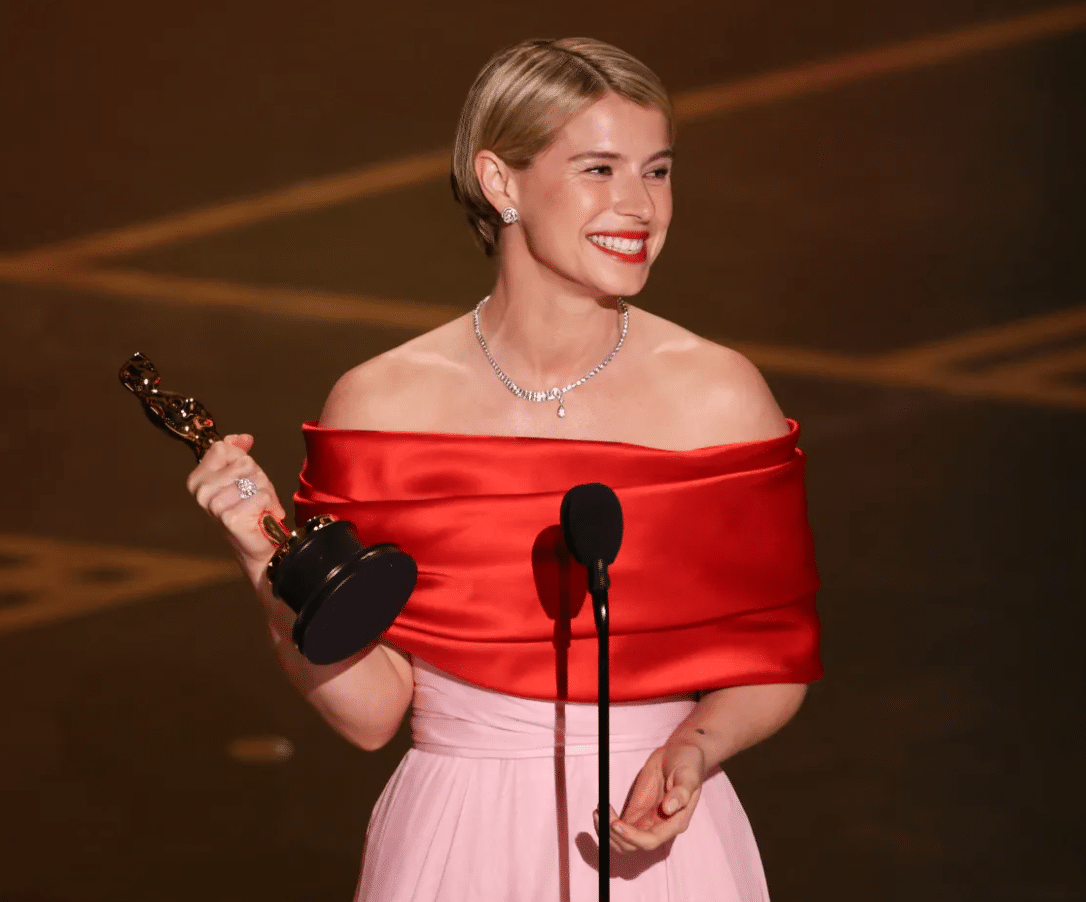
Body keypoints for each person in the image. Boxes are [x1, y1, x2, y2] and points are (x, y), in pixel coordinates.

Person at [187, 37, 822, 901]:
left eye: (658, 170)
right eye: (599, 168)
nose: (639, 205)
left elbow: (770, 662)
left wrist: (694, 747)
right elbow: (372, 713)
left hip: (659, 844)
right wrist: (266, 559)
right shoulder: (381, 407)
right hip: (456, 839)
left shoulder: (719, 396)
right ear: (500, 182)